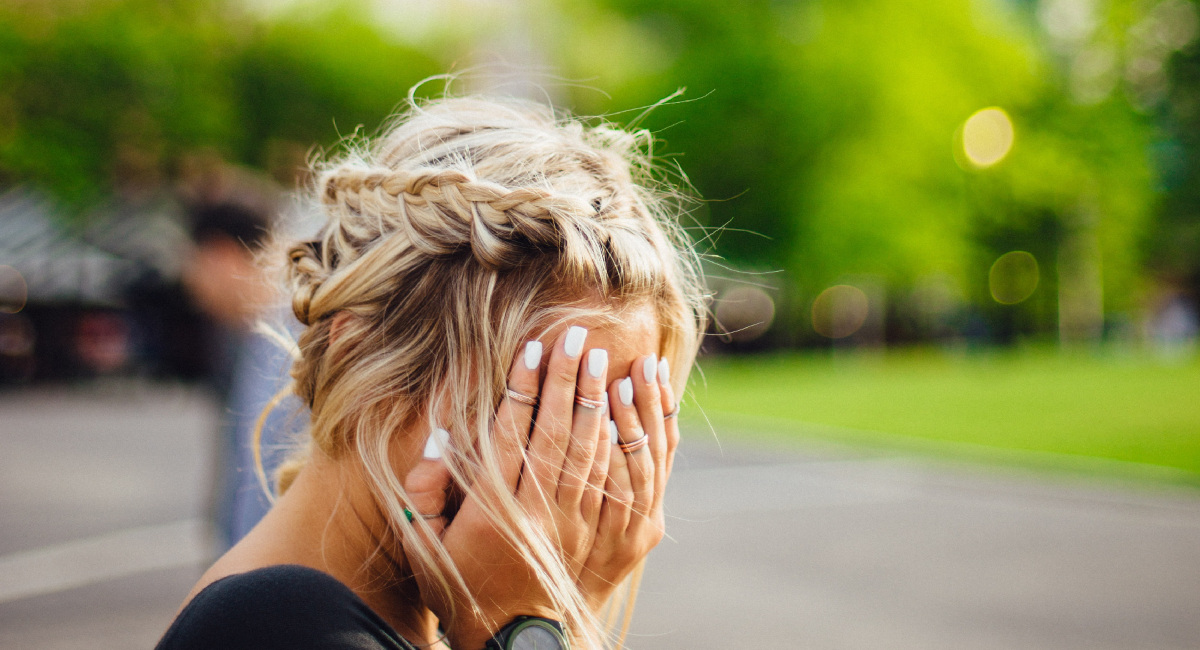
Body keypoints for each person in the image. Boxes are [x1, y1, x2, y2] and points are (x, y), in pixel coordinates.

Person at [156, 95, 706, 650]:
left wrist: (559, 612)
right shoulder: (277, 625)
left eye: (618, 418)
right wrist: (519, 623)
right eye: (544, 405)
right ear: (366, 363)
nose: (584, 473)